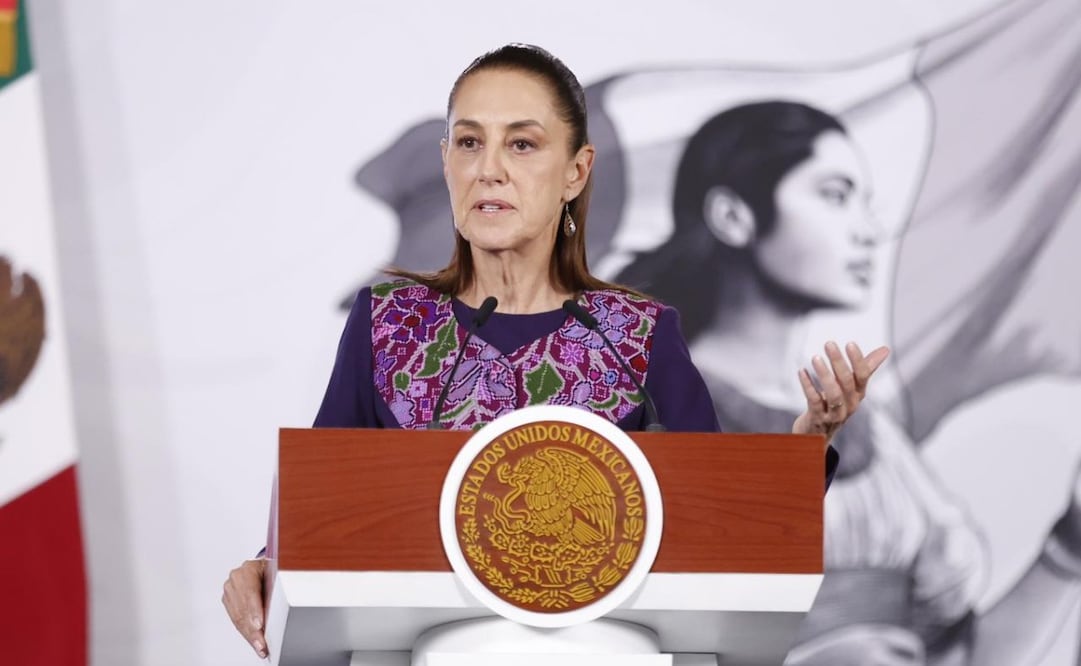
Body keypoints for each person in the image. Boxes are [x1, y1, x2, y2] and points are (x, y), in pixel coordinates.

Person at [221, 46, 888, 660]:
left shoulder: (638, 335)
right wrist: (266, 564)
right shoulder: (388, 324)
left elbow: (723, 535)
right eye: (469, 142)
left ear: (575, 171)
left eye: (522, 144)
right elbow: (324, 505)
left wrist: (809, 442)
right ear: (447, 161)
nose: (489, 169)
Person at [617, 100, 1081, 665]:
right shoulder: (651, 409)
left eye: (866, 203)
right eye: (835, 196)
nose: (869, 230)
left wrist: (1069, 544)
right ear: (733, 216)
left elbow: (960, 656)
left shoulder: (875, 432)